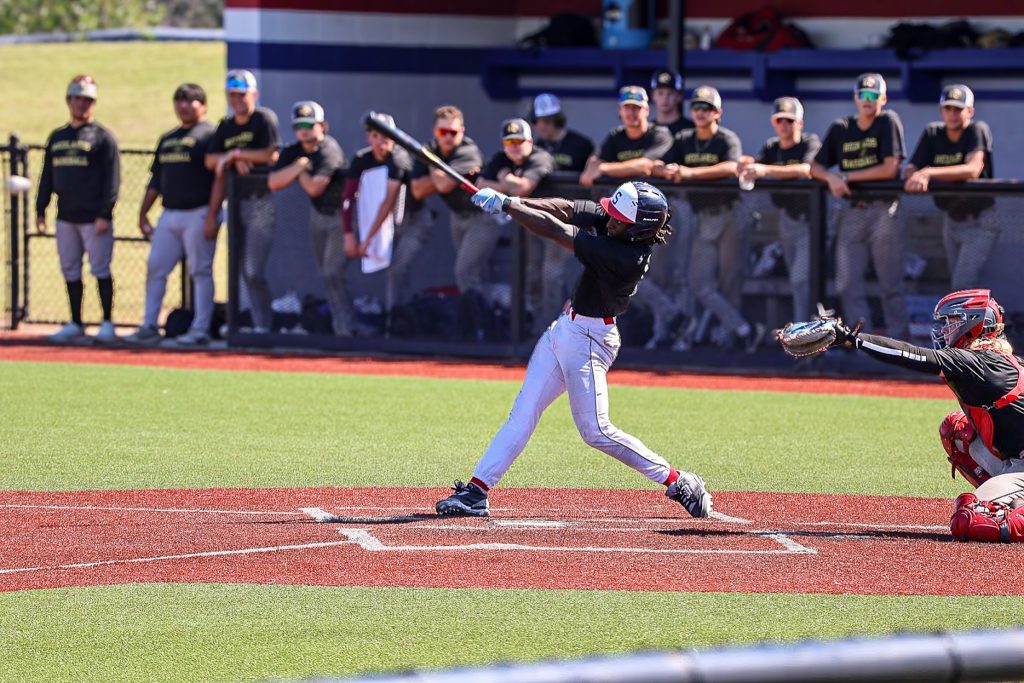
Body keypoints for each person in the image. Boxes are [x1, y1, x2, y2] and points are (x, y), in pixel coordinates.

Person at [434, 180, 713, 520]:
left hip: (590, 342)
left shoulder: (626, 256)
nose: (609, 220)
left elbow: (557, 230)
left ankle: (678, 480)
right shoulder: (618, 226)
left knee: (596, 431)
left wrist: (508, 207)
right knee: (522, 414)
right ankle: (476, 492)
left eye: (619, 220)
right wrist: (513, 199)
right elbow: (566, 208)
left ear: (638, 230)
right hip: (565, 329)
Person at [789, 289, 1024, 542]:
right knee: (956, 430)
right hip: (1016, 460)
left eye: (953, 321)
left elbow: (913, 355)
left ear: (975, 323)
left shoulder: (981, 362)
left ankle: (1007, 505)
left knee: (971, 521)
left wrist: (852, 339)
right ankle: (1010, 499)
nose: (945, 329)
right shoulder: (993, 360)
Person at [660, 85, 763, 353]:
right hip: (703, 218)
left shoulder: (726, 138)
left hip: (731, 215)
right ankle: (744, 329)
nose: (700, 112)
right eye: (696, 107)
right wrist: (668, 169)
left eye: (706, 108)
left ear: (718, 112)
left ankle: (731, 340)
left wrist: (689, 173)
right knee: (699, 283)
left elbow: (731, 166)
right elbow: (662, 164)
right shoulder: (684, 138)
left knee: (730, 281)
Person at [810, 73, 907, 339]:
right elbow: (815, 167)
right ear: (855, 98)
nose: (868, 100)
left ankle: (899, 344)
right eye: (863, 95)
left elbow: (890, 169)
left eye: (874, 95)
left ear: (883, 99)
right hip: (852, 211)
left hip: (884, 210)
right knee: (847, 283)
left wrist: (845, 176)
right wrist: (831, 177)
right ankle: (861, 341)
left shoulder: (888, 120)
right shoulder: (841, 127)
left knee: (890, 283)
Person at [126, 84, 217, 346]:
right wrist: (143, 212)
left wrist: (213, 214)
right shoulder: (168, 138)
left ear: (203, 105)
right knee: (156, 267)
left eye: (190, 100)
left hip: (199, 211)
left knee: (200, 271)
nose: (183, 106)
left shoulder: (210, 135)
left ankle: (201, 328)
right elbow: (156, 179)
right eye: (179, 100)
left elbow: (219, 178)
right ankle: (149, 325)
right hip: (170, 213)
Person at [36, 75, 120, 343]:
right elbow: (47, 175)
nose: (81, 104)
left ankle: (107, 322)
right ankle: (75, 321)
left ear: (93, 103)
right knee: (70, 269)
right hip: (66, 216)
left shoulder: (103, 137)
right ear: (68, 101)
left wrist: (105, 213)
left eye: (87, 100)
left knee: (100, 269)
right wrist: (41, 209)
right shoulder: (58, 137)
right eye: (77, 99)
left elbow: (112, 180)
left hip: (93, 217)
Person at [205, 69, 281, 333]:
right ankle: (242, 322)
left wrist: (236, 154)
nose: (237, 100)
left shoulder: (263, 119)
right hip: (236, 205)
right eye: (232, 95)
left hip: (260, 202)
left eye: (242, 94)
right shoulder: (225, 126)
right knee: (237, 268)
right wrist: (232, 160)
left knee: (253, 269)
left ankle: (264, 324)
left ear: (254, 95)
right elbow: (210, 160)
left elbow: (271, 154)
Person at [268, 101, 350, 336]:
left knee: (333, 272)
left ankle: (346, 326)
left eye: (309, 125)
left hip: (342, 216)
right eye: (299, 126)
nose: (303, 131)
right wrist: (298, 167)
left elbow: (315, 188)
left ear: (322, 126)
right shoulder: (295, 151)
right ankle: (337, 324)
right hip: (318, 215)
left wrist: (299, 170)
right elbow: (273, 182)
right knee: (325, 272)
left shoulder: (329, 149)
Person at [904, 84, 996, 291]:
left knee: (963, 284)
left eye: (958, 109)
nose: (952, 114)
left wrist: (929, 173)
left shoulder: (976, 130)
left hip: (980, 219)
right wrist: (916, 175)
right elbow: (911, 169)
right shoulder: (933, 132)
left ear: (970, 111)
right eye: (948, 108)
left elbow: (973, 169)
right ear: (941, 111)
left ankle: (992, 313)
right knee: (958, 287)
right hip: (951, 219)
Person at [738, 96, 822, 322]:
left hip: (811, 221)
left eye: (789, 120)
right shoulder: (771, 147)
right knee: (796, 278)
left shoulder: (810, 142)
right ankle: (804, 326)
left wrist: (765, 170)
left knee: (801, 279)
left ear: (799, 123)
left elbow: (807, 169)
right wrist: (747, 165)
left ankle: (804, 327)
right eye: (779, 120)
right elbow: (754, 167)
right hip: (787, 219)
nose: (784, 125)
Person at [342, 113, 428, 320]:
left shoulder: (398, 159)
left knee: (397, 269)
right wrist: (349, 235)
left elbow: (388, 202)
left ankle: (395, 321)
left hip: (412, 222)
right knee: (338, 266)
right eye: (375, 136)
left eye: (387, 137)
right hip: (383, 226)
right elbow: (348, 198)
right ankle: (350, 321)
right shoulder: (361, 160)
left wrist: (367, 239)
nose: (381, 143)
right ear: (368, 138)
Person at [477, 118, 557, 332]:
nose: (514, 147)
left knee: (551, 276)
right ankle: (539, 327)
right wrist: (508, 185)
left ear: (530, 142)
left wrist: (504, 177)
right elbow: (481, 185)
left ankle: (556, 328)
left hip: (557, 225)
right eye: (510, 142)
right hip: (531, 226)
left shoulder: (540, 157)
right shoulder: (501, 158)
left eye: (519, 141)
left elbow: (523, 188)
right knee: (532, 276)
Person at [409, 105, 484, 323]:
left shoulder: (468, 152)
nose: (449, 137)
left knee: (464, 271)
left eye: (453, 132)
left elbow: (443, 185)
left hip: (483, 217)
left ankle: (479, 325)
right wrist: (440, 171)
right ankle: (477, 323)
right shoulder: (430, 149)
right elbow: (417, 190)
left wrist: (432, 164)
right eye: (443, 132)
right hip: (457, 216)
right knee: (470, 274)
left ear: (462, 131)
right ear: (435, 131)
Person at [579, 86, 673, 188]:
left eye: (636, 108)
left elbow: (645, 165)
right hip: (623, 194)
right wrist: (591, 168)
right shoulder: (616, 135)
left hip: (657, 193)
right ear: (620, 111)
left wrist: (603, 168)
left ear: (647, 110)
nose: (631, 113)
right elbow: (595, 160)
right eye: (627, 107)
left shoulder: (660, 134)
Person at [529, 93, 594, 173]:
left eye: (535, 121)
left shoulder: (582, 146)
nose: (534, 126)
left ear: (551, 120)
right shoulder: (538, 146)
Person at [648, 69, 694, 136]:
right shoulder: (646, 131)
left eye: (670, 93)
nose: (665, 98)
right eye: (660, 93)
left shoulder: (691, 130)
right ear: (652, 96)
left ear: (679, 96)